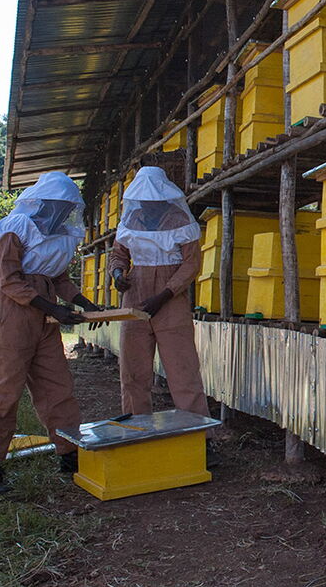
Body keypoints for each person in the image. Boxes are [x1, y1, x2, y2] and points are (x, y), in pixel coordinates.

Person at [0, 171, 103, 493]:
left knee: (57, 386)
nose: (62, 213)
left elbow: (58, 279)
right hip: (12, 314)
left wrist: (86, 304)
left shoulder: (61, 236)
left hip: (44, 319)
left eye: (67, 208)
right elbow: (9, 280)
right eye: (59, 206)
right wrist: (54, 309)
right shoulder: (16, 228)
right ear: (43, 203)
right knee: (4, 388)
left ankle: (69, 453)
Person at [108, 167, 213, 460]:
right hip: (135, 294)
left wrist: (165, 294)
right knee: (133, 371)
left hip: (171, 297)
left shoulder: (180, 219)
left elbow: (191, 265)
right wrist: (118, 274)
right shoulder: (131, 218)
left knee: (183, 371)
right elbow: (118, 254)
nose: (148, 205)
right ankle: (136, 435)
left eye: (152, 201)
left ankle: (199, 440)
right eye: (144, 201)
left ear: (164, 198)